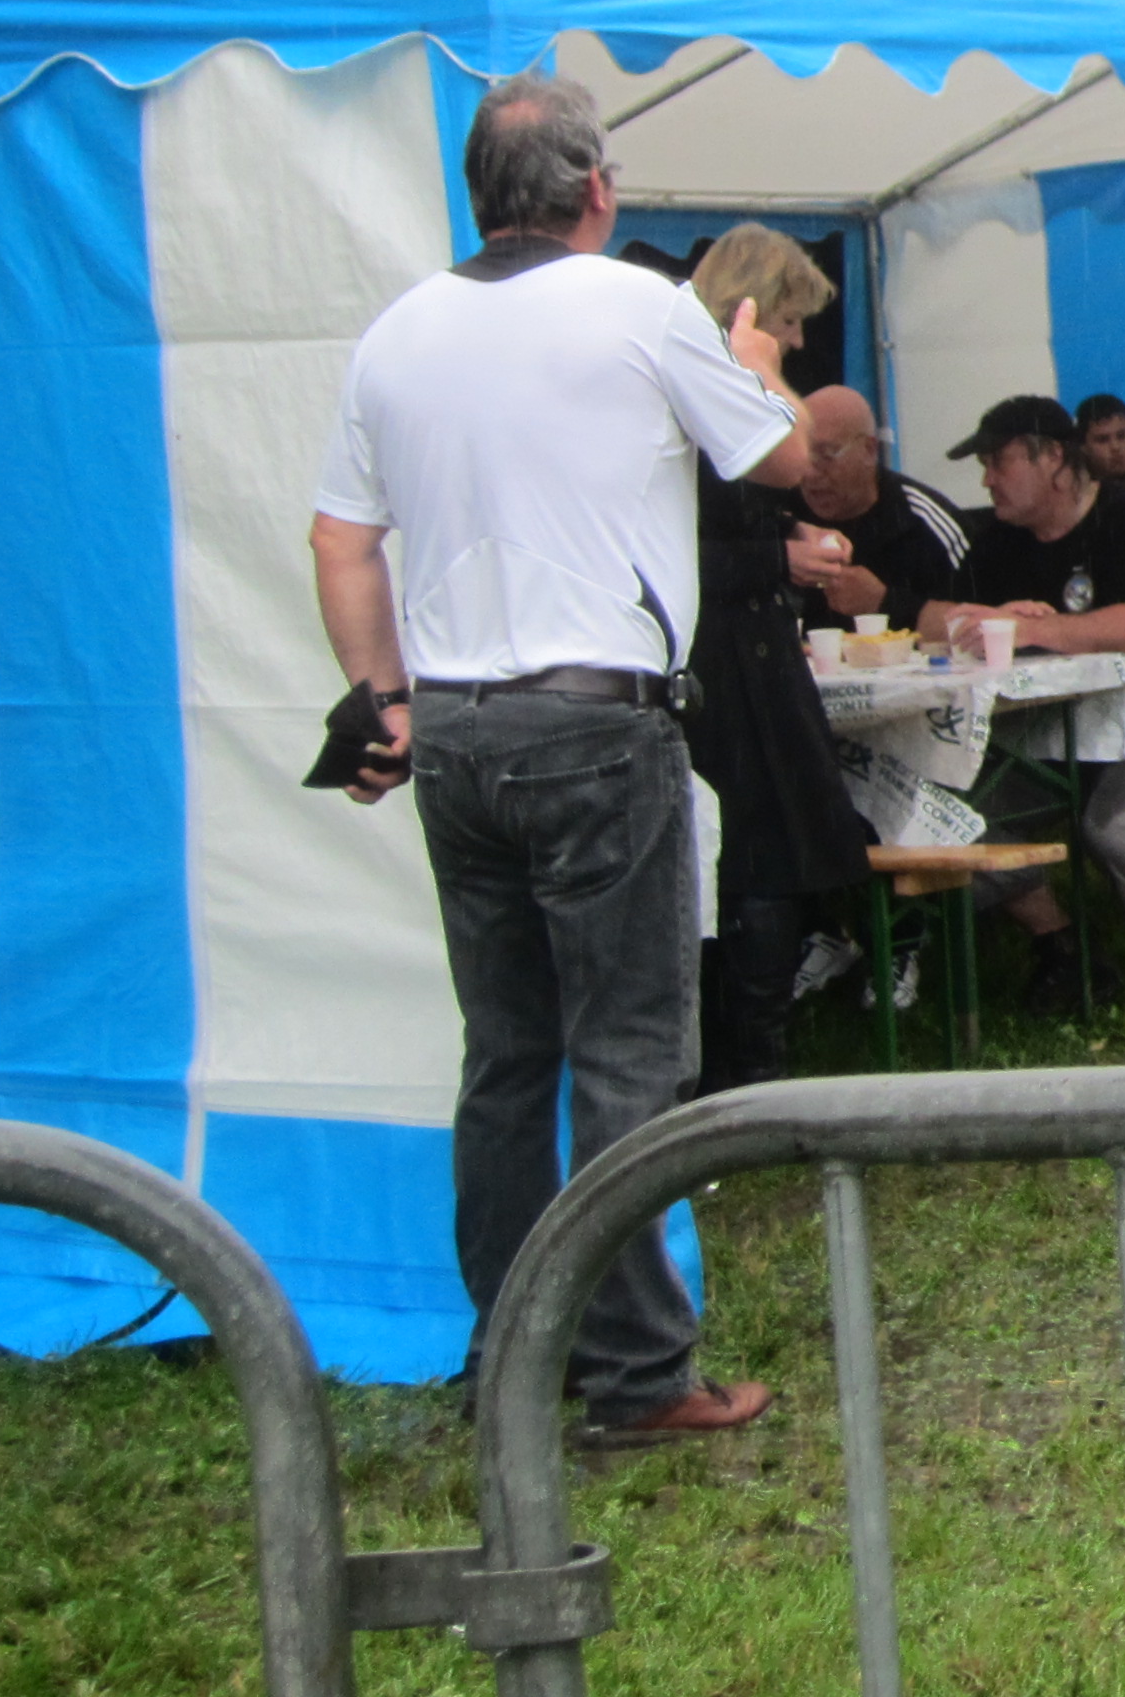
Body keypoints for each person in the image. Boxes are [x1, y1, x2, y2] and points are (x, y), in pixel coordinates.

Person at [309, 70, 803, 1440]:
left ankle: (513, 1356)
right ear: (596, 189)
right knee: (628, 1053)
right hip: (596, 718)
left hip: (457, 727)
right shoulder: (643, 307)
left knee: (507, 1057)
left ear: (477, 194)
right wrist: (758, 368)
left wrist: (384, 701)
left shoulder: (398, 329)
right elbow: (780, 464)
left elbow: (342, 539)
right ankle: (640, 1375)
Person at [920, 395, 1125, 1012]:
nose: (986, 480)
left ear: (1052, 458)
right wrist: (987, 615)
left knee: (1119, 829)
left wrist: (1038, 629)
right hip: (1054, 733)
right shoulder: (1001, 539)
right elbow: (931, 615)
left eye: (998, 462)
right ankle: (1065, 950)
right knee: (952, 818)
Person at [677, 228, 874, 1095]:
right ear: (750, 308)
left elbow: (742, 510)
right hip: (720, 672)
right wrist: (777, 559)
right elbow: (677, 549)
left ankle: (755, 1060)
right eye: (788, 322)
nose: (796, 342)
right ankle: (743, 1070)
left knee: (774, 867)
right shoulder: (704, 387)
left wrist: (789, 535)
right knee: (754, 867)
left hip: (751, 661)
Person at [793, 385, 971, 631]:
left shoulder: (920, 519)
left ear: (869, 450)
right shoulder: (783, 516)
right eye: (803, 454)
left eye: (826, 454)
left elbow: (984, 623)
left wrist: (884, 602)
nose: (811, 474)